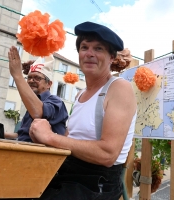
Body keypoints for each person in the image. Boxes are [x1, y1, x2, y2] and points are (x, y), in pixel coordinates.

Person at [29, 21, 137, 199]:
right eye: (84, 47)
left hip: (98, 183)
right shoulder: (80, 95)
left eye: (99, 48)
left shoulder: (119, 88)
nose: (89, 54)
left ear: (111, 57)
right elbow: (72, 138)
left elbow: (107, 154)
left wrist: (50, 137)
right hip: (67, 172)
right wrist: (42, 138)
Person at [5, 49, 69, 142]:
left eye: (37, 78)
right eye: (29, 77)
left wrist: (17, 75)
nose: (31, 81)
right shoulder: (32, 104)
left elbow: (38, 113)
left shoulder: (56, 101)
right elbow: (22, 134)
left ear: (49, 84)